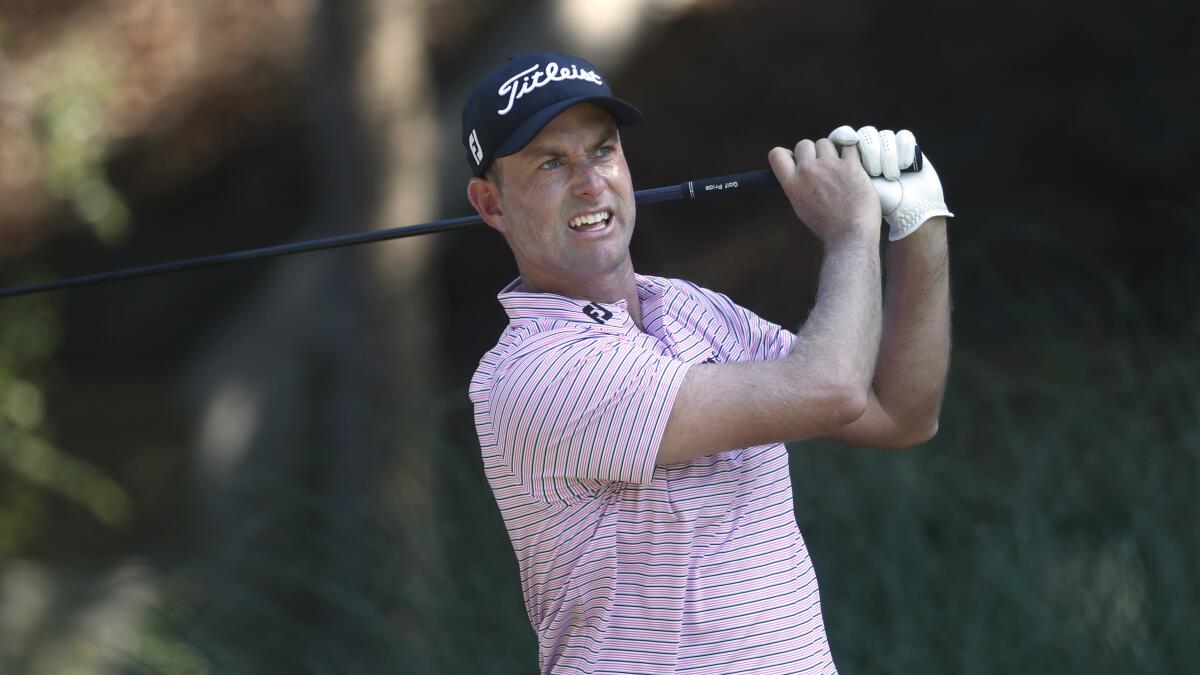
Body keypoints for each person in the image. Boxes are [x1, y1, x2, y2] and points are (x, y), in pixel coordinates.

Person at [463, 51, 952, 674]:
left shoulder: (694, 309)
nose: (590, 182)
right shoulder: (532, 372)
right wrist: (852, 231)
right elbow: (830, 389)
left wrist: (918, 220)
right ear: (491, 205)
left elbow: (899, 414)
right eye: (551, 163)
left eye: (603, 150)